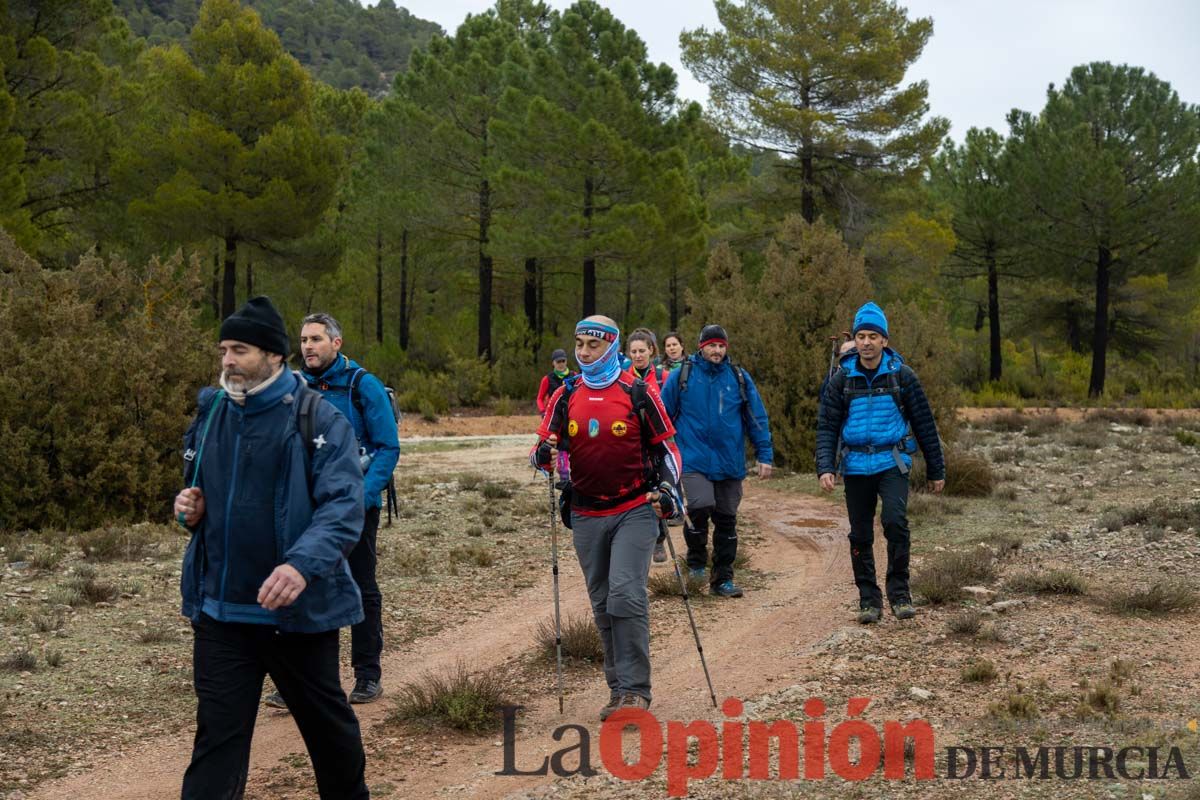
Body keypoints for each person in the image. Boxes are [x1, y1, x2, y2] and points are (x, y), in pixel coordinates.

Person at [173, 296, 370, 800]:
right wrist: (190, 510)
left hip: (297, 617)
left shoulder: (318, 419)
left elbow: (343, 507)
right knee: (217, 742)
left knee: (330, 738)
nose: (227, 361)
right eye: (223, 349)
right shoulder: (212, 409)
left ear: (274, 355)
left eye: (239, 349)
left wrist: (301, 567)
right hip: (221, 612)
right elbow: (198, 485)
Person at [531, 315, 683, 721]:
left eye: (592, 346)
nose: (583, 353)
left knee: (625, 595)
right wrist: (542, 457)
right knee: (602, 602)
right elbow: (542, 447)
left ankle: (636, 691)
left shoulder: (636, 391)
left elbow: (668, 451)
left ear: (612, 347)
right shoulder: (567, 394)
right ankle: (617, 689)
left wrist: (668, 490)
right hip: (585, 512)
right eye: (579, 344)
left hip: (634, 508)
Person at [274, 312, 401, 706]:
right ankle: (295, 681)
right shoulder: (292, 386)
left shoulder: (364, 385)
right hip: (304, 510)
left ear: (336, 343)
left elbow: (387, 448)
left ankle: (367, 675)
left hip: (354, 509)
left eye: (315, 339)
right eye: (304, 340)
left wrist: (360, 499)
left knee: (362, 588)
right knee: (298, 587)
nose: (308, 347)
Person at [815, 302, 946, 624]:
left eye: (874, 336)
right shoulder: (842, 380)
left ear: (884, 341)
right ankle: (868, 601)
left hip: (892, 462)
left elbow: (924, 423)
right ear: (855, 340)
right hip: (856, 466)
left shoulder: (902, 376)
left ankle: (900, 595)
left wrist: (936, 469)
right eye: (861, 336)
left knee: (894, 522)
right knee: (860, 535)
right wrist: (825, 467)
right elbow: (828, 425)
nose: (867, 342)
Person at [660, 324, 773, 598]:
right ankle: (697, 563)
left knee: (726, 518)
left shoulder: (738, 377)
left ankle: (723, 579)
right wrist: (659, 453)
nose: (717, 350)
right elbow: (662, 414)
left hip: (729, 461)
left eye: (722, 346)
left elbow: (756, 418)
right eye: (712, 345)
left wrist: (765, 454)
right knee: (700, 504)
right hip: (693, 457)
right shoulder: (683, 376)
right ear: (701, 346)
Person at [626, 328, 669, 562]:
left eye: (642, 350)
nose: (638, 355)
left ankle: (659, 540)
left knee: (656, 488)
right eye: (633, 351)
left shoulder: (663, 377)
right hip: (632, 442)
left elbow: (671, 408)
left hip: (656, 440)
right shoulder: (624, 376)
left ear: (651, 351)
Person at [536, 349, 573, 414]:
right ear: (553, 363)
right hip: (553, 413)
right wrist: (543, 411)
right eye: (558, 361)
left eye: (563, 361)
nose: (561, 364)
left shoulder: (574, 375)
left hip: (570, 412)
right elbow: (539, 399)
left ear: (566, 361)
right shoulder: (547, 379)